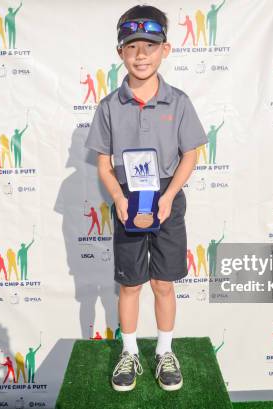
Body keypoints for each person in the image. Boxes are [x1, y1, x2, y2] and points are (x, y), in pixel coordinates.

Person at [85, 4, 207, 393]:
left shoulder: (179, 102)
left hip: (167, 198)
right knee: (130, 284)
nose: (141, 54)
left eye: (150, 46)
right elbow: (104, 164)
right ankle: (130, 352)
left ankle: (164, 351)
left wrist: (170, 195)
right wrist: (119, 199)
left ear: (165, 50)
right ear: (120, 51)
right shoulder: (108, 106)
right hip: (128, 201)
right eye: (133, 46)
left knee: (163, 283)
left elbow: (191, 153)